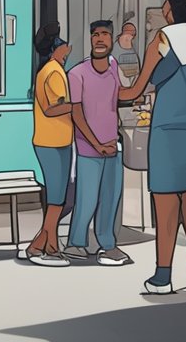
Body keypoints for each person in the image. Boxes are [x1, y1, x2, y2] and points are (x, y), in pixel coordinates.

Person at [120, 0, 186, 295]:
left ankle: (163, 276)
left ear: (174, 13)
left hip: (164, 130)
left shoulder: (162, 39)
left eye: (166, 13)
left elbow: (136, 89)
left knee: (165, 203)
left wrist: (112, 92)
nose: (165, 18)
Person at [62, 20, 130, 266]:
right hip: (89, 149)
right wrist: (97, 144)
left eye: (105, 35)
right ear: (90, 39)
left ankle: (108, 246)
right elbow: (77, 114)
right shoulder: (77, 74)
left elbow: (124, 94)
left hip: (113, 147)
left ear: (112, 39)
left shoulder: (114, 67)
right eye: (95, 35)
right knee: (87, 198)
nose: (100, 39)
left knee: (110, 199)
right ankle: (76, 243)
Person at [24, 22, 73, 266]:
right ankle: (50, 248)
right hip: (54, 141)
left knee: (58, 196)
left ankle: (40, 244)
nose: (69, 50)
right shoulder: (53, 72)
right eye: (65, 46)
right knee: (57, 198)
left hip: (53, 140)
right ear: (57, 49)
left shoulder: (47, 70)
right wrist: (79, 105)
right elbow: (52, 108)